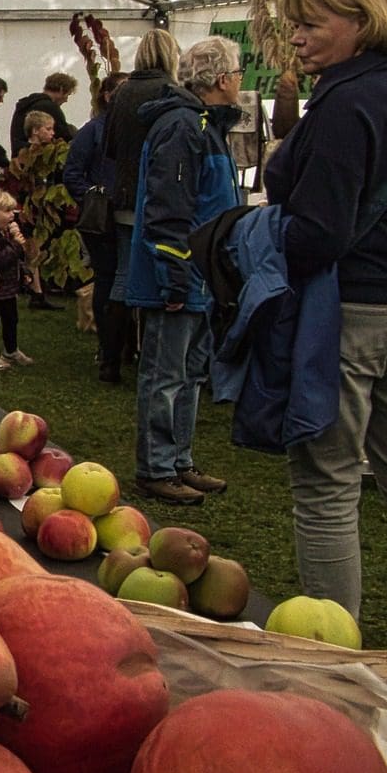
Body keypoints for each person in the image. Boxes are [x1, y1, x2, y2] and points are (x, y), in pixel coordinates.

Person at [266, 0, 387, 615]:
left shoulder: (346, 103)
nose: (294, 37)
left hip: (347, 314)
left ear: (358, 22)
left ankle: (333, 648)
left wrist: (254, 233)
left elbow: (318, 234)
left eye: (309, 24)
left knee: (327, 484)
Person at [124, 36, 242, 506]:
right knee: (165, 374)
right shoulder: (183, 127)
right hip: (178, 275)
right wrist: (175, 274)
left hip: (202, 275)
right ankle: (155, 466)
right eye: (235, 74)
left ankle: (179, 460)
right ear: (219, 79)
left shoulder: (207, 126)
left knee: (191, 374)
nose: (239, 82)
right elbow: (167, 208)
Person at [63, 72, 129, 383]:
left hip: (127, 217)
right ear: (107, 96)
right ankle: (107, 350)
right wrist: (94, 199)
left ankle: (122, 347)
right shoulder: (93, 132)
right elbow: (72, 172)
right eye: (122, 91)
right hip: (102, 222)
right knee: (107, 279)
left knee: (122, 280)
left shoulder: (133, 131)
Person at [108, 28, 181, 303]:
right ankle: (137, 340)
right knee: (155, 273)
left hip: (125, 192)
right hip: (157, 195)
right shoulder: (171, 92)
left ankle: (114, 345)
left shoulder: (122, 92)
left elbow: (110, 146)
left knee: (124, 272)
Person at [11, 110, 59, 310]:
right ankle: (35, 290)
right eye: (48, 129)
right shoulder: (25, 155)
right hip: (28, 209)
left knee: (37, 249)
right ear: (36, 131)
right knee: (32, 249)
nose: (52, 133)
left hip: (42, 209)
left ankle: (38, 289)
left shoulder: (50, 154)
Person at [0, 190, 33, 370]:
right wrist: (16, 245)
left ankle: (11, 349)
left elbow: (15, 260)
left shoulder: (6, 235)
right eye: (6, 211)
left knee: (11, 319)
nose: (12, 215)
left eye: (13, 211)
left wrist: (24, 272)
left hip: (9, 289)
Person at [10, 72, 77, 154]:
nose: (66, 100)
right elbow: (64, 135)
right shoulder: (50, 107)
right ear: (61, 90)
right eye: (67, 95)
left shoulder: (25, 104)